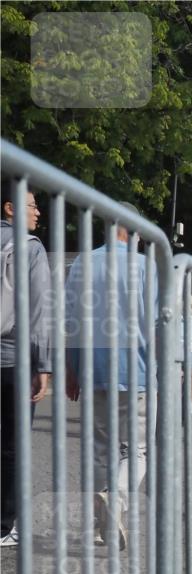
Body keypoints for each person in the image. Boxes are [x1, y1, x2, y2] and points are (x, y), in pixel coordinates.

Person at [65, 203, 155, 550]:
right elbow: (159, 323)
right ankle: (114, 500)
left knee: (103, 450)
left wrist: (72, 369)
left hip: (95, 367)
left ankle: (103, 521)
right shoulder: (146, 266)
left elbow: (71, 322)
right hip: (138, 369)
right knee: (137, 451)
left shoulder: (82, 264)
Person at [1, 186, 52, 548]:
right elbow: (39, 313)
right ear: (10, 208)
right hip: (13, 359)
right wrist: (43, 364)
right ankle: (6, 525)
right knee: (13, 446)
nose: (38, 214)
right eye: (32, 206)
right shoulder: (30, 248)